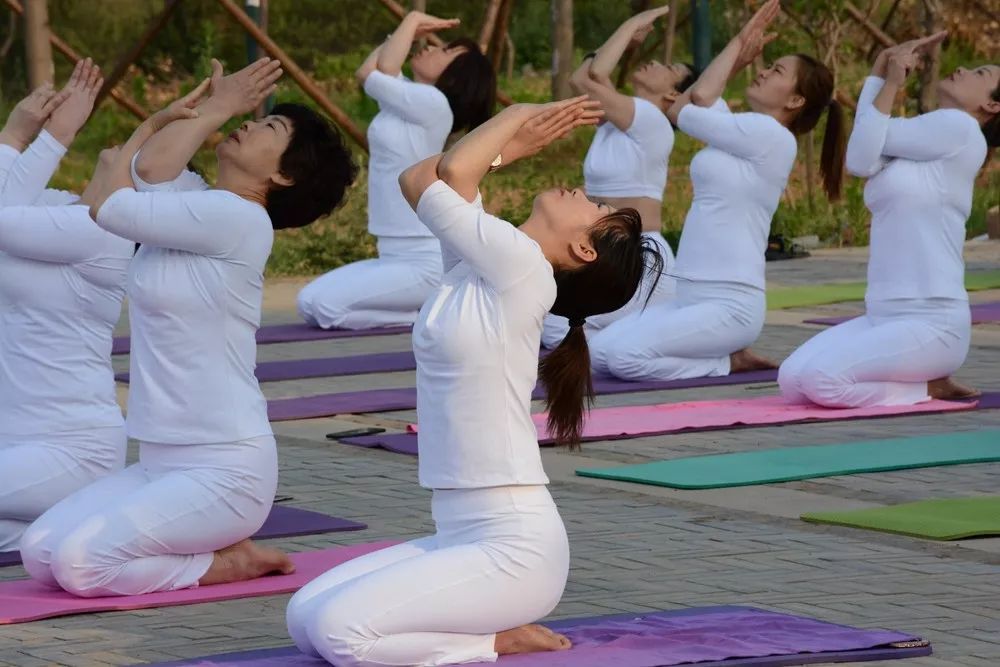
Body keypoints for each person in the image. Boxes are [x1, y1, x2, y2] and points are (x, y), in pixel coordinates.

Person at [285, 97, 664, 667]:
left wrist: (521, 114)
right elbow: (418, 179)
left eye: (593, 205)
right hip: (461, 532)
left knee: (341, 634)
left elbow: (455, 172)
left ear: (584, 249)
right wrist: (505, 150)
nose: (578, 190)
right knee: (303, 617)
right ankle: (484, 634)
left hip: (513, 548)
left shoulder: (523, 268)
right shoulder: (484, 265)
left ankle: (491, 642)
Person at [20, 57, 358, 597]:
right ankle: (208, 551)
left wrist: (170, 118)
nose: (247, 122)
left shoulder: (239, 221)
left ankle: (219, 564)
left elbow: (109, 205)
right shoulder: (198, 200)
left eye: (268, 127)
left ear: (282, 175)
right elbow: (149, 172)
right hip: (159, 461)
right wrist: (197, 113)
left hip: (224, 470)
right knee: (40, 553)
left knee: (82, 566)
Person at [590, 0, 845, 382]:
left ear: (795, 100)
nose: (763, 72)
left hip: (728, 304)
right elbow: (702, 95)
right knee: (597, 354)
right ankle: (724, 355)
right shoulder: (741, 129)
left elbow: (681, 111)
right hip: (689, 297)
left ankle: (727, 362)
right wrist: (740, 46)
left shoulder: (773, 138)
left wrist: (739, 45)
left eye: (776, 71)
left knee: (626, 359)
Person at [779, 34, 998, 407]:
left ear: (991, 104)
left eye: (980, 72)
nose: (961, 68)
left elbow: (865, 147)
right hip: (883, 315)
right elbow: (862, 157)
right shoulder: (926, 137)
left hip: (932, 322)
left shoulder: (960, 130)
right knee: (791, 379)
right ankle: (926, 383)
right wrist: (878, 76)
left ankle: (926, 388)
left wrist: (889, 83)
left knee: (822, 382)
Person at [0, 60, 134, 554]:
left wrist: (52, 136)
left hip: (70, 452)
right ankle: (63, 530)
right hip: (14, 445)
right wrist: (16, 132)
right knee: (32, 542)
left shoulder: (105, 233)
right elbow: (7, 200)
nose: (125, 142)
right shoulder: (58, 207)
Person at [297, 10, 496, 330]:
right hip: (391, 255)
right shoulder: (409, 99)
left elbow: (379, 71)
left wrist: (413, 20)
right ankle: (421, 313)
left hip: (422, 262)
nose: (430, 48)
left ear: (457, 76)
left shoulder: (433, 104)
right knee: (307, 301)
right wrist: (403, 34)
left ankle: (420, 315)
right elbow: (369, 69)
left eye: (445, 51)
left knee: (324, 307)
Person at [542, 5, 695, 348]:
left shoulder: (652, 121)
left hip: (636, 256)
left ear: (672, 94)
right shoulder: (616, 120)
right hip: (604, 249)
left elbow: (583, 79)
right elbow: (589, 77)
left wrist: (630, 27)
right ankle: (621, 339)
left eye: (667, 67)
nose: (654, 62)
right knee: (550, 326)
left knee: (556, 329)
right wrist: (623, 40)